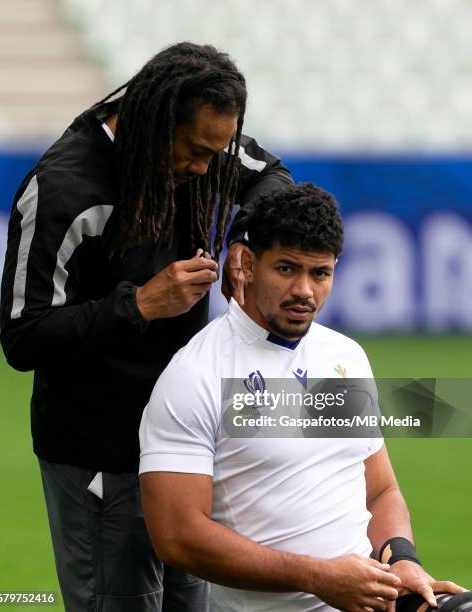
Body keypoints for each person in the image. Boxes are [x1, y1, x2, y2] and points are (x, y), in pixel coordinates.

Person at [0, 42, 292, 611]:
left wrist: (243, 238)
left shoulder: (203, 145)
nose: (207, 169)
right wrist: (139, 305)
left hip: (185, 448)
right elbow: (22, 335)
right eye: (196, 152)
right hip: (100, 453)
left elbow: (271, 177)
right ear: (153, 124)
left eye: (218, 152)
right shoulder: (64, 189)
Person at [138, 183, 466, 611]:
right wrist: (318, 577)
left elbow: (379, 490)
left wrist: (401, 559)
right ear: (248, 264)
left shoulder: (343, 356)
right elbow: (177, 538)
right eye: (287, 269)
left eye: (320, 273)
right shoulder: (194, 375)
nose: (304, 292)